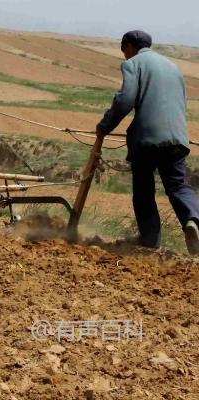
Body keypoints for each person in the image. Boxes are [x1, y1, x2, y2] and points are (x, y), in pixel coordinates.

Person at [96, 30, 199, 255]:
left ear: (129, 46)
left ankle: (150, 237)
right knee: (179, 185)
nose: (124, 55)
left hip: (147, 139)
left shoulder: (133, 64)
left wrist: (105, 126)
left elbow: (125, 100)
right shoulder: (174, 67)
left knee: (143, 189)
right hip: (177, 137)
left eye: (124, 50)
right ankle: (193, 220)